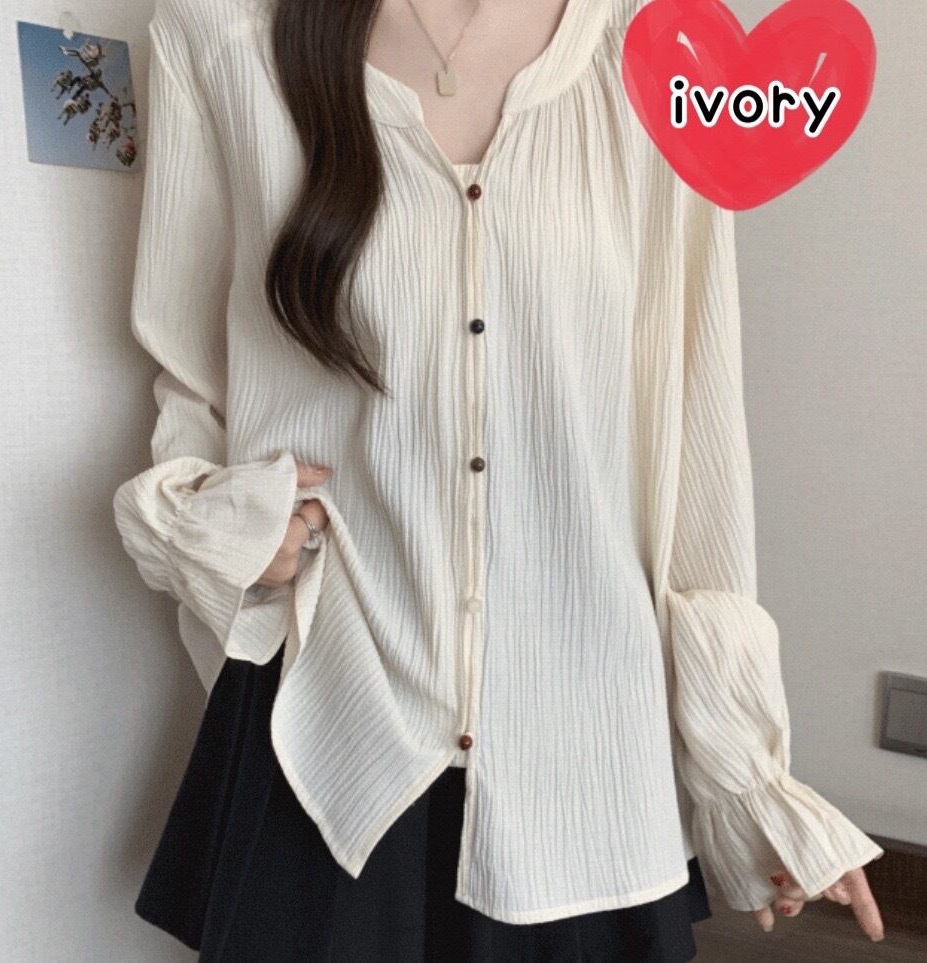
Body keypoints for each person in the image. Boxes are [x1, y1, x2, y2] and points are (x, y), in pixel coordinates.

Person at [112, 0, 886, 958]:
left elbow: (696, 419)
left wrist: (745, 773)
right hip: (333, 709)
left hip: (583, 738)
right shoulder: (223, 36)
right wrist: (223, 526)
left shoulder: (658, 47)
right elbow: (188, 370)